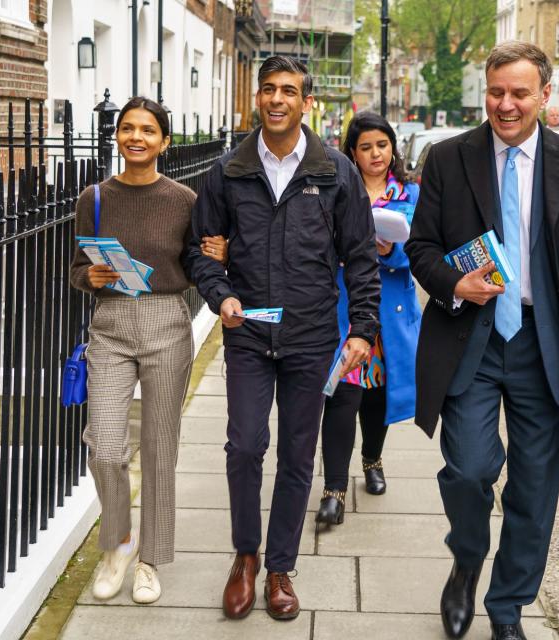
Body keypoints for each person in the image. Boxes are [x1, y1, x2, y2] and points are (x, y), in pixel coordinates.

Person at [405, 41, 559, 640]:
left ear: (545, 95)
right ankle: (466, 561)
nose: (506, 105)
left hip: (545, 342)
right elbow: (420, 248)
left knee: (535, 488)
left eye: (519, 93)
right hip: (471, 340)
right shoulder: (449, 158)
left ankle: (507, 608)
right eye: (496, 91)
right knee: (471, 469)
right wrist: (456, 282)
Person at [187, 55, 380, 621]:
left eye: (288, 91)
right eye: (268, 89)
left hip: (312, 336)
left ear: (305, 101)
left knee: (298, 454)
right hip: (247, 332)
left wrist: (363, 328)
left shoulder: (335, 171)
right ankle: (245, 556)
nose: (276, 99)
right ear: (257, 98)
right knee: (245, 446)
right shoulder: (225, 172)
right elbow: (202, 251)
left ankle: (279, 568)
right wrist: (219, 293)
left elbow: (361, 257)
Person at [69, 97, 195, 605]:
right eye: (127, 128)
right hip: (112, 325)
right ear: (117, 137)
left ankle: (149, 560)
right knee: (104, 446)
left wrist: (220, 254)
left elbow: (200, 264)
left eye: (147, 130)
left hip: (167, 321)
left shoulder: (185, 200)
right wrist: (89, 276)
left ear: (165, 141)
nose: (135, 137)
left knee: (160, 450)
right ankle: (117, 541)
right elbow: (77, 267)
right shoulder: (94, 197)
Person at [314, 111, 422, 526]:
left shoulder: (409, 193)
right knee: (342, 397)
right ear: (353, 153)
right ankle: (334, 489)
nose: (376, 153)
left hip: (389, 312)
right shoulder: (340, 187)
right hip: (344, 309)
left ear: (392, 147)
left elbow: (420, 248)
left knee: (378, 396)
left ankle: (372, 460)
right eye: (366, 147)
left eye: (382, 145)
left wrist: (387, 250)